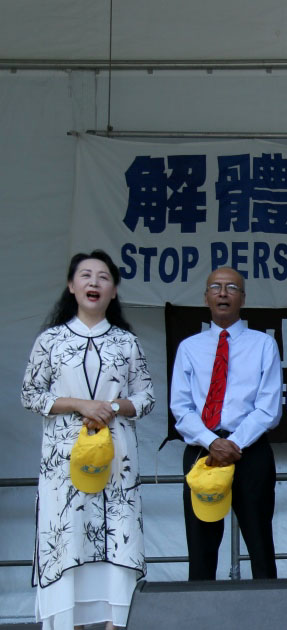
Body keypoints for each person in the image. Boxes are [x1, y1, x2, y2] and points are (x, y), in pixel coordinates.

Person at [20, 250, 155, 630]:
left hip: (117, 462)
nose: (94, 282)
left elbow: (146, 397)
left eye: (103, 277)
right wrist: (80, 405)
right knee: (68, 538)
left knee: (118, 537)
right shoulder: (50, 340)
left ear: (114, 291)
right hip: (63, 463)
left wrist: (110, 407)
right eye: (85, 275)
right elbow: (30, 394)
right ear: (71, 286)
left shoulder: (126, 342)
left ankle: (115, 623)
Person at [170, 267, 282, 580]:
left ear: (242, 298)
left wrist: (232, 443)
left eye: (231, 288)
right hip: (202, 450)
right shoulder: (189, 347)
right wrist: (212, 442)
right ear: (205, 297)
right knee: (201, 547)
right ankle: (202, 608)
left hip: (250, 449)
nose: (223, 293)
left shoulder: (263, 344)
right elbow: (180, 407)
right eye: (215, 287)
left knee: (260, 544)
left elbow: (269, 408)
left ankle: (269, 607)